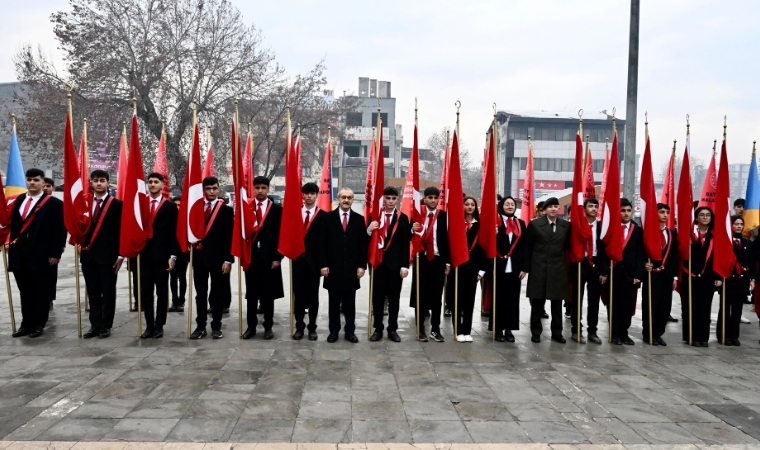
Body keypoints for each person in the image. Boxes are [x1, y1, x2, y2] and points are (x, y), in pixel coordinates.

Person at [8, 169, 66, 338]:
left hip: (42, 254)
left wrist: (56, 253)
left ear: (43, 182)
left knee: (40, 291)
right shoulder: (18, 200)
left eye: (36, 180)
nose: (32, 183)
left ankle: (39, 324)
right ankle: (26, 324)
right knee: (24, 290)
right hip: (20, 253)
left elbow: (59, 230)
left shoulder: (54, 203)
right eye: (29, 179)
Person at [129, 173, 179, 339]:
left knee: (162, 292)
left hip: (162, 256)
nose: (152, 185)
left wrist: (173, 255)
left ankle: (159, 325)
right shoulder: (141, 204)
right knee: (146, 292)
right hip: (144, 255)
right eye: (149, 182)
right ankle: (149, 325)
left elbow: (174, 233)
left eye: (155, 182)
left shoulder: (170, 207)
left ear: (162, 185)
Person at [318, 188, 367, 343]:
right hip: (333, 268)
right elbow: (322, 244)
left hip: (352, 269)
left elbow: (362, 245)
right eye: (343, 197)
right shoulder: (328, 218)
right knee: (333, 303)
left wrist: (361, 266)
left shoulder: (359, 220)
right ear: (337, 199)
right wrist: (323, 264)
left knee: (349, 303)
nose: (346, 200)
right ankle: (333, 331)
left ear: (353, 200)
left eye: (349, 198)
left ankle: (350, 331)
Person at [80, 170, 123, 339]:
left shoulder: (117, 204)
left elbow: (120, 231)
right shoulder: (84, 203)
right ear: (91, 182)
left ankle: (106, 325)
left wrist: (121, 255)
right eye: (95, 180)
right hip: (88, 254)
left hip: (109, 256)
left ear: (108, 183)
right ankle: (94, 324)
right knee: (93, 291)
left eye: (102, 180)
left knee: (108, 291)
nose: (98, 183)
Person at [190, 176, 233, 340]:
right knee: (200, 294)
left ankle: (216, 326)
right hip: (199, 258)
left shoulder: (226, 210)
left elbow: (229, 237)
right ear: (203, 190)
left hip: (219, 260)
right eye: (208, 189)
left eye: (215, 188)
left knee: (217, 294)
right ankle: (200, 326)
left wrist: (228, 259)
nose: (212, 191)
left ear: (219, 189)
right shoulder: (196, 209)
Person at [367, 187, 411, 343]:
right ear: (383, 199)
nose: (391, 201)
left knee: (394, 298)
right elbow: (365, 241)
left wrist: (405, 266)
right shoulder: (374, 216)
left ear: (397, 200)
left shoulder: (403, 218)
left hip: (395, 265)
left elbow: (406, 244)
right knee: (377, 298)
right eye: (388, 198)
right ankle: (377, 329)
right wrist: (369, 230)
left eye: (393, 198)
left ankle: (392, 329)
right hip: (378, 264)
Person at [243, 176, 284, 340]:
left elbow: (281, 235)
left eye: (263, 188)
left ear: (268, 189)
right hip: (251, 258)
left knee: (268, 295)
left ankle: (268, 327)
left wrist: (278, 257)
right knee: (251, 295)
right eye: (257, 187)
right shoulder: (246, 208)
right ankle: (251, 327)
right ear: (253, 188)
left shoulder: (276, 210)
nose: (260, 191)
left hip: (270, 259)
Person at [525, 197, 569, 343]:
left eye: (556, 206)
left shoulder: (565, 225)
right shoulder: (535, 225)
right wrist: (526, 268)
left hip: (558, 269)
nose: (553, 209)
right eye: (550, 206)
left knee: (557, 304)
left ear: (559, 208)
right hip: (539, 267)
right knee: (537, 303)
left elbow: (568, 247)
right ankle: (536, 332)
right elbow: (528, 247)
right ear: (544, 209)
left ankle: (557, 333)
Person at [410, 186, 450, 342]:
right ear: (424, 199)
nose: (433, 200)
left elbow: (447, 241)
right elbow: (406, 235)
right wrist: (410, 229)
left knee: (437, 297)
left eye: (435, 198)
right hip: (422, 260)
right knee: (421, 295)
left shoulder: (444, 216)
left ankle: (435, 328)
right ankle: (420, 329)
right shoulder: (417, 214)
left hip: (438, 260)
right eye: (430, 197)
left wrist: (448, 262)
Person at [445, 195, 486, 342]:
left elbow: (483, 249)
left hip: (473, 269)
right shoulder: (456, 224)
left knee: (469, 301)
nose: (469, 207)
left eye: (472, 205)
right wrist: (448, 263)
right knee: (457, 300)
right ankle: (458, 330)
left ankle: (467, 330)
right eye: (467, 204)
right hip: (457, 268)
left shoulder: (479, 225)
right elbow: (449, 245)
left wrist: (482, 270)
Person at [605, 198, 645, 345]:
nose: (626, 213)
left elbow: (640, 254)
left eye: (629, 210)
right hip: (613, 272)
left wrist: (638, 274)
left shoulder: (637, 230)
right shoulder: (610, 229)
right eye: (623, 210)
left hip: (630, 275)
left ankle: (624, 333)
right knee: (613, 304)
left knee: (628, 305)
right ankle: (614, 333)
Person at [569, 198, 607, 345]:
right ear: (584, 209)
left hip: (595, 264)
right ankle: (576, 329)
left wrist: (604, 271)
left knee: (594, 299)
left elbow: (604, 251)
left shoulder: (602, 226)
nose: (593, 209)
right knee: (576, 298)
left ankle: (593, 331)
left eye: (595, 206)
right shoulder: (577, 225)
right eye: (590, 206)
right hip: (579, 263)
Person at [682, 206, 721, 347]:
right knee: (690, 306)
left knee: (705, 307)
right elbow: (681, 255)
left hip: (708, 277)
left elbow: (718, 258)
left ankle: (703, 337)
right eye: (702, 214)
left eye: (708, 215)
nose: (705, 217)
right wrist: (687, 246)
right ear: (696, 217)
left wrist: (718, 277)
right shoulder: (689, 234)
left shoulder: (715, 236)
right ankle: (690, 336)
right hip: (690, 275)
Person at [291, 182, 326, 340]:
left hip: (314, 263)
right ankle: (299, 326)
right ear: (302, 195)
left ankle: (312, 327)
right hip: (298, 262)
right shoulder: (295, 214)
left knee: (313, 296)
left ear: (316, 195)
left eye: (312, 193)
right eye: (307, 193)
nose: (309, 196)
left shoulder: (323, 215)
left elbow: (325, 243)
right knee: (298, 295)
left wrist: (323, 264)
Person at [642, 203, 679, 346]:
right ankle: (648, 333)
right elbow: (641, 252)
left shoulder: (671, 233)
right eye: (661, 212)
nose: (664, 215)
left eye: (667, 212)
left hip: (667, 275)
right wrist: (645, 263)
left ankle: (658, 333)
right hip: (652, 275)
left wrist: (675, 276)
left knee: (664, 307)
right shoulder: (647, 233)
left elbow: (674, 257)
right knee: (650, 305)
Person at [492, 196, 527, 342]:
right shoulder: (496, 222)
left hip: (515, 267)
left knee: (513, 299)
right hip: (498, 266)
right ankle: (498, 328)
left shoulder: (520, 223)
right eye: (507, 204)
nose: (510, 206)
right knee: (498, 298)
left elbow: (525, 247)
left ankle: (509, 329)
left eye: (512, 204)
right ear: (501, 206)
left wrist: (525, 268)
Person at [715, 215, 754, 346]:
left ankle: (734, 336)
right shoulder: (726, 242)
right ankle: (723, 335)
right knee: (725, 309)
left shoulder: (747, 243)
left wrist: (752, 278)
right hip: (728, 279)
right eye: (736, 223)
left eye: (741, 224)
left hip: (741, 280)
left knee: (737, 310)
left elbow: (751, 262)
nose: (739, 226)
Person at [41, 177, 62, 311]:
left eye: (48, 186)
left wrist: (58, 248)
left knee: (50, 275)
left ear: (53, 188)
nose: (45, 188)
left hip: (51, 247)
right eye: (43, 185)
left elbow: (60, 228)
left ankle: (49, 299)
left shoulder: (56, 204)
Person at [169, 196, 189, 312]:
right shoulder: (170, 217)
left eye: (179, 205)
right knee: (172, 277)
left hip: (182, 253)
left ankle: (181, 301)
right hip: (171, 252)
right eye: (175, 205)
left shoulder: (186, 219)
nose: (177, 207)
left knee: (182, 277)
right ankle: (174, 301)